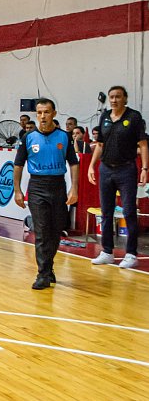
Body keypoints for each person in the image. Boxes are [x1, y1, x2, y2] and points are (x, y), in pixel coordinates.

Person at [13, 98, 79, 290]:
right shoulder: (28, 137)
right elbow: (18, 165)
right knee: (42, 231)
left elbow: (74, 164)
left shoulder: (64, 137)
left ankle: (48, 268)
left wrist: (74, 188)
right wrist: (17, 190)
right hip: (37, 186)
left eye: (46, 112)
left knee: (56, 230)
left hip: (58, 185)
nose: (43, 116)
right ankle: (42, 274)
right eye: (39, 112)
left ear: (54, 114)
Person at [88, 86, 149, 269]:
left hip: (126, 169)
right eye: (111, 97)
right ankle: (107, 251)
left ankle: (131, 254)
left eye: (118, 97)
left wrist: (145, 168)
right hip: (106, 169)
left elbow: (143, 145)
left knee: (129, 211)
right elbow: (100, 144)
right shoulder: (105, 117)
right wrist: (92, 165)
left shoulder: (134, 117)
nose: (114, 100)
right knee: (106, 212)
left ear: (125, 99)